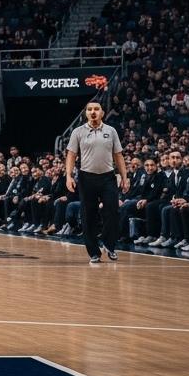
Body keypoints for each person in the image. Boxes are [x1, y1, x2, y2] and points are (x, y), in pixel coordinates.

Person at [64, 101, 127, 263]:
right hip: (87, 178)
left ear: (102, 113)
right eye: (90, 109)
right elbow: (71, 155)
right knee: (88, 215)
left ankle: (109, 244)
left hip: (108, 177)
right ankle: (94, 252)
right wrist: (69, 176)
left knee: (113, 211)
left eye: (96, 109)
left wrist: (125, 178)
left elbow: (118, 156)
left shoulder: (111, 131)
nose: (93, 112)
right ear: (86, 113)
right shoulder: (77, 132)